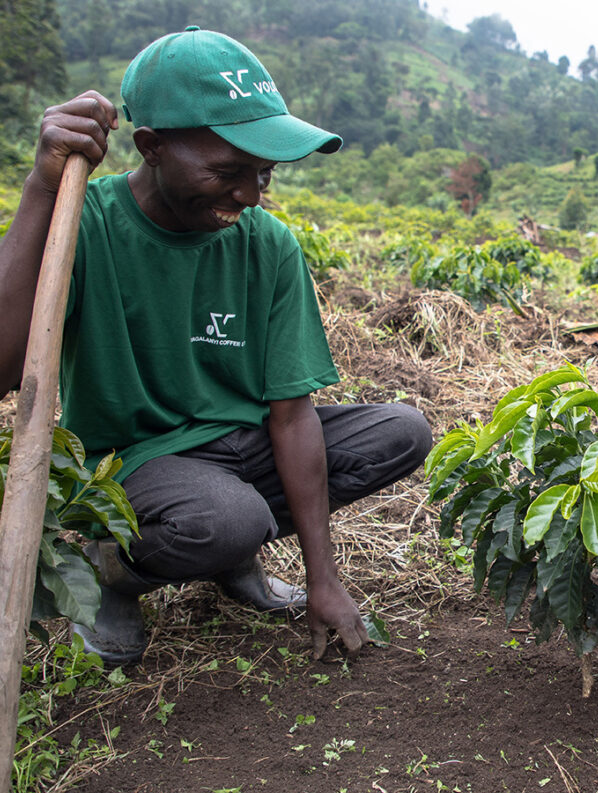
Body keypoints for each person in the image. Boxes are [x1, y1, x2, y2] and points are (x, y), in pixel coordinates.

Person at [0, 27, 433, 665]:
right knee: (226, 520)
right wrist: (41, 189)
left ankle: (229, 550)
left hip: (244, 449)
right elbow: (5, 366)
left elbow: (291, 414)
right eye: (228, 171)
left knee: (402, 431)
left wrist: (324, 578)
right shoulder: (84, 223)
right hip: (136, 463)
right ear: (151, 147)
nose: (250, 196)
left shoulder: (268, 244)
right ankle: (111, 570)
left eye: (263, 173)